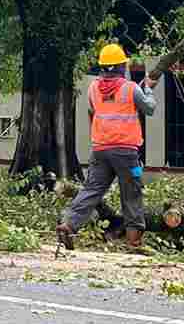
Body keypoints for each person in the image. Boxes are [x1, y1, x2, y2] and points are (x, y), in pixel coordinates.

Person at [56, 44, 156, 251]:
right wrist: (148, 88)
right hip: (126, 151)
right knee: (131, 194)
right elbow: (150, 108)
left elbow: (94, 111)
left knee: (91, 189)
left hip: (100, 149)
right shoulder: (131, 88)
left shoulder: (93, 88)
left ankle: (68, 224)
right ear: (121, 66)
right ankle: (133, 242)